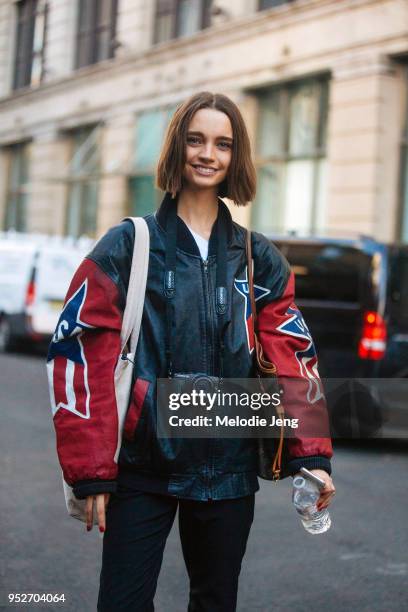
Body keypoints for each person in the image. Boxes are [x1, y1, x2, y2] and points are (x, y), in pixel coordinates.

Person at [47, 91, 335, 612]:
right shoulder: (128, 246)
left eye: (223, 144)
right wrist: (89, 469)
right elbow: (79, 353)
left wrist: (310, 456)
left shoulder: (258, 257)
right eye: (195, 140)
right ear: (177, 148)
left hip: (227, 469)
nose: (208, 154)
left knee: (214, 601)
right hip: (142, 468)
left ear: (235, 156)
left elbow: (294, 356)